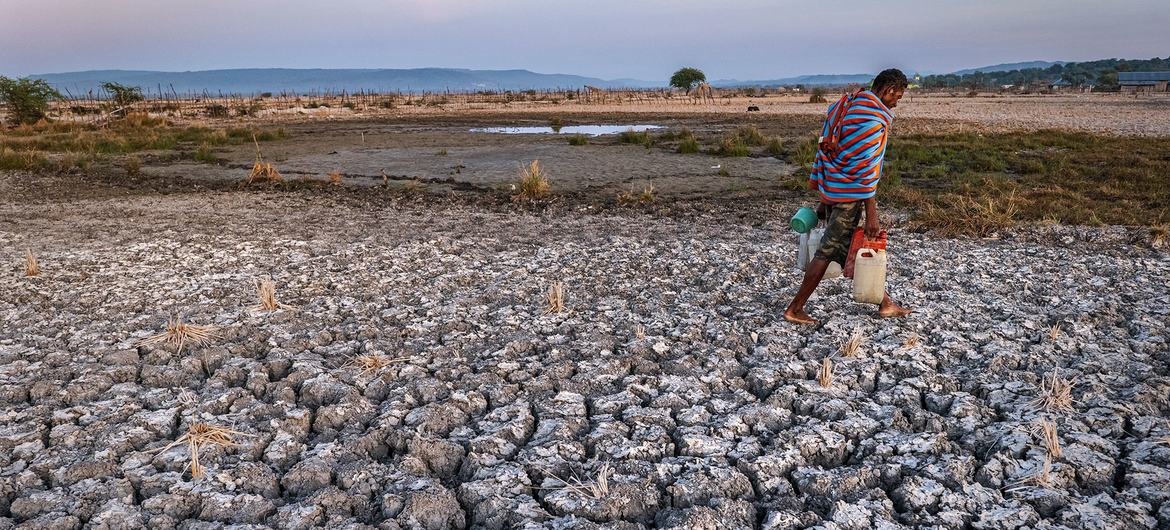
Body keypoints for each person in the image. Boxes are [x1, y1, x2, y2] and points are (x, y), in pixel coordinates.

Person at [783, 69, 913, 325]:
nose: (897, 101)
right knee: (827, 251)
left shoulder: (846, 106)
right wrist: (872, 214)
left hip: (835, 188)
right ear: (887, 91)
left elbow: (829, 152)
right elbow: (866, 169)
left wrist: (824, 196)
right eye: (897, 96)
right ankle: (795, 308)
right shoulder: (873, 120)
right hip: (849, 197)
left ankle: (885, 303)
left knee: (847, 249)